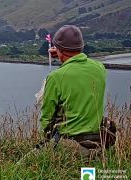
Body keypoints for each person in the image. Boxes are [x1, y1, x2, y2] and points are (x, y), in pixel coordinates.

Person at [39, 25, 109, 158]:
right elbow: (78, 66)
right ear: (81, 47)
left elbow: (47, 118)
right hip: (98, 142)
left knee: (22, 165)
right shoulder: (100, 68)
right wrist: (62, 54)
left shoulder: (56, 77)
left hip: (71, 146)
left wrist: (47, 142)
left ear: (58, 49)